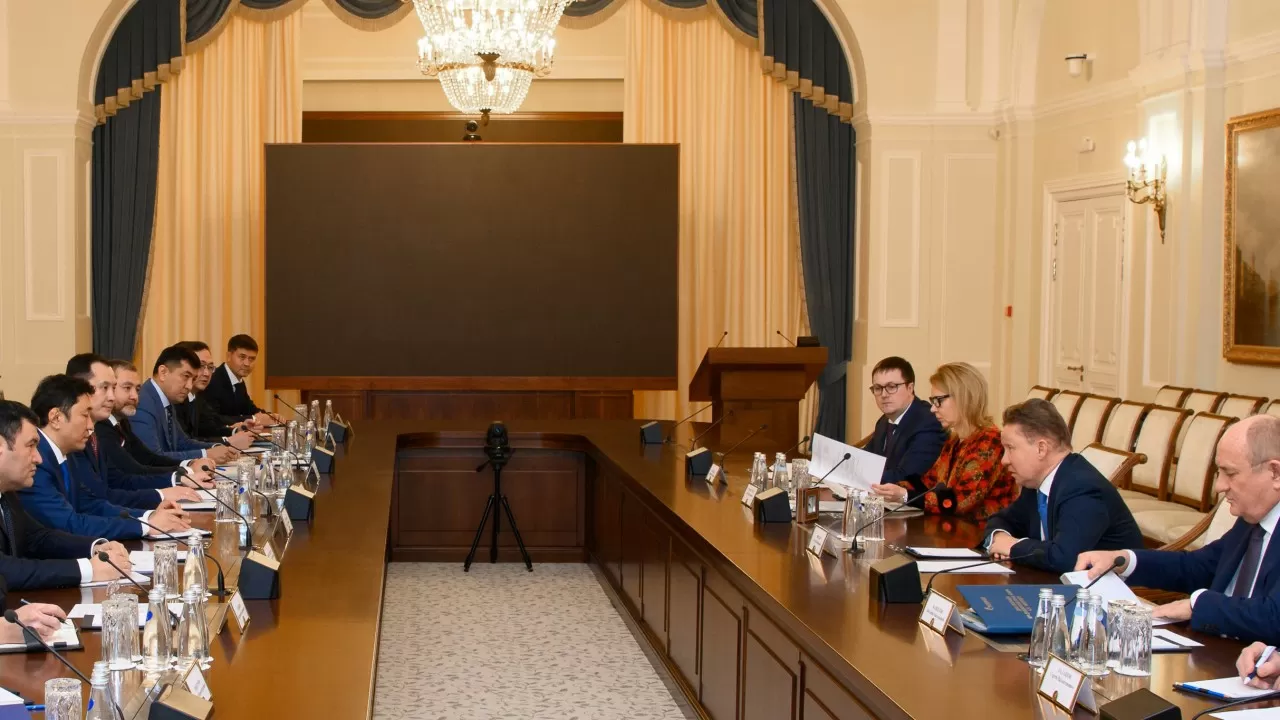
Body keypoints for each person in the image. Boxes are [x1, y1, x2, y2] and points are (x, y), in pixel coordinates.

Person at [1076, 415, 1280, 643]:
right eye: (1218, 473)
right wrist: (1124, 560)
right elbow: (1199, 567)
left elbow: (1273, 617)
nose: (1219, 486)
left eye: (1230, 473)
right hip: (1217, 648)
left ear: (1275, 473)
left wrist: (1196, 605)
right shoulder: (1251, 520)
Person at [20, 375, 191, 540]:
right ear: (56, 418)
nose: (90, 426)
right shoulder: (35, 461)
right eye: (85, 415)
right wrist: (145, 526)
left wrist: (148, 516)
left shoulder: (64, 452)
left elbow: (89, 504)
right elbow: (70, 523)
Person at [984, 399, 1143, 573]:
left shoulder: (1083, 488)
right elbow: (1001, 520)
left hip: (1114, 587)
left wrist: (1013, 546)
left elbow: (1065, 557)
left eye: (1010, 448)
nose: (1004, 460)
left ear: (1041, 448)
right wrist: (1000, 537)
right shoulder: (1035, 482)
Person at [0, 399, 135, 598]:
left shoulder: (7, 493)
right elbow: (5, 568)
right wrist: (87, 570)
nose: (39, 458)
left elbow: (37, 537)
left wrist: (94, 547)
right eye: (30, 446)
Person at [872, 362, 1017, 520]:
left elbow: (960, 501)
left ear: (963, 399)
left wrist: (905, 495)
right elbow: (928, 482)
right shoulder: (954, 441)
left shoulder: (989, 441)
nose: (933, 408)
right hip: (953, 528)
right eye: (932, 401)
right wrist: (889, 490)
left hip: (983, 531)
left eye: (938, 401)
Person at [65, 354, 202, 509]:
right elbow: (97, 500)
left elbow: (120, 478)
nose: (111, 397)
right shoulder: (82, 436)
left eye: (113, 388)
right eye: (105, 388)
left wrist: (178, 477)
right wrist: (161, 496)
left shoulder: (101, 430)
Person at [97, 360, 215, 482]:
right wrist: (187, 471)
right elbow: (134, 470)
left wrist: (188, 464)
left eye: (137, 389)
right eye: (127, 388)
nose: (135, 396)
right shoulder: (102, 428)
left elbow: (148, 458)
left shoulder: (122, 423)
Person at [131, 346, 239, 464]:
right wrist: (205, 454)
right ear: (163, 372)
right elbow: (153, 457)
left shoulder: (166, 399)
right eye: (186, 376)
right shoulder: (142, 403)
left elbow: (183, 442)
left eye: (193, 379)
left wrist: (216, 447)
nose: (189, 386)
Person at [863, 357, 946, 494]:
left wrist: (856, 474)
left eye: (891, 387)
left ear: (910, 388)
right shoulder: (884, 421)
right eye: (878, 388)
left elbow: (906, 477)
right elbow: (865, 459)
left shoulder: (928, 422)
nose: (884, 394)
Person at [172, 341, 256, 448]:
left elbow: (210, 427)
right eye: (201, 366)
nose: (206, 373)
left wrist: (236, 430)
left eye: (210, 367)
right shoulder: (175, 399)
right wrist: (227, 441)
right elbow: (185, 442)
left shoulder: (198, 396)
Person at [203, 334, 277, 426]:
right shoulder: (213, 380)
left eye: (251, 359)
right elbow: (214, 419)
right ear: (229, 356)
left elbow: (249, 409)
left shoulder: (238, 381)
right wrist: (254, 418)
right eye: (242, 357)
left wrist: (271, 416)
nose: (247, 364)